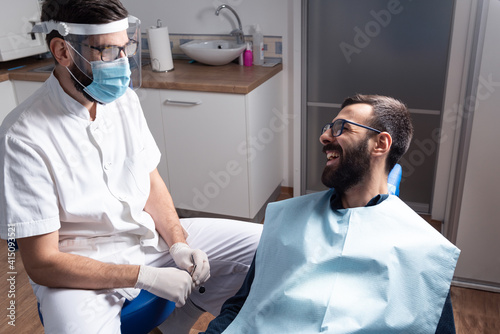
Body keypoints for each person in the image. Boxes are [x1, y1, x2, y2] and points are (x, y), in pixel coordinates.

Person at [0, 0, 262, 333]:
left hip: (147, 239)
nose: (123, 64)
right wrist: (144, 276)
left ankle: (177, 322)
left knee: (267, 247)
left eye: (127, 48)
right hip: (78, 269)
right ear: (62, 51)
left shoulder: (123, 100)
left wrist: (178, 242)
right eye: (108, 52)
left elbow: (150, 182)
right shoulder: (22, 136)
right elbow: (42, 263)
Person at [201, 94, 460, 333]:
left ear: (380, 144)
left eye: (342, 128)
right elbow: (241, 306)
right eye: (328, 128)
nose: (325, 137)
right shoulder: (286, 219)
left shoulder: (424, 251)